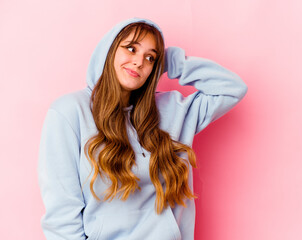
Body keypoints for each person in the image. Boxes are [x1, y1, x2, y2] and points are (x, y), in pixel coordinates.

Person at [38, 17, 248, 240]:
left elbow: (233, 89)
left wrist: (171, 62)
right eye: (131, 49)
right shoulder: (71, 111)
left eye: (150, 57)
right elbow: (61, 213)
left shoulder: (171, 111)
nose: (139, 62)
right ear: (109, 51)